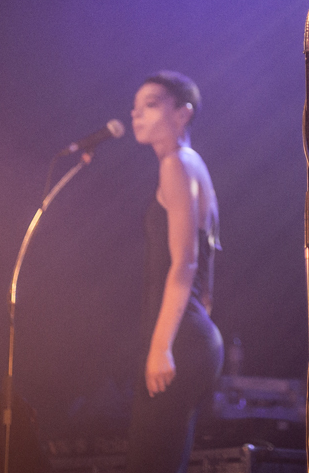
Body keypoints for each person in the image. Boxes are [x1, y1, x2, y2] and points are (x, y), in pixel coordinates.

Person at [126, 71, 223, 473]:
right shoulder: (193, 164)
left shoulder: (175, 165)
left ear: (182, 114)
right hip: (194, 335)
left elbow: (185, 261)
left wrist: (161, 345)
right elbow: (209, 266)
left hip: (180, 338)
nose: (136, 115)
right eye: (135, 107)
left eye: (151, 105)